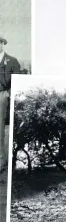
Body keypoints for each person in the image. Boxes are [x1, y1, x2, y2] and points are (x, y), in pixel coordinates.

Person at [0, 38, 20, 173]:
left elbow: (17, 81)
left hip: (2, 95)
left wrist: (7, 94)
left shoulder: (12, 61)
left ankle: (2, 160)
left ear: (3, 44)